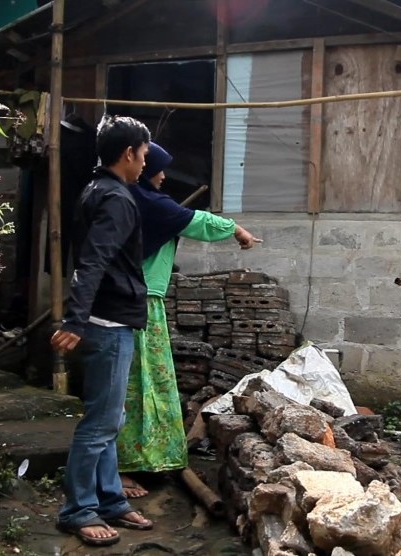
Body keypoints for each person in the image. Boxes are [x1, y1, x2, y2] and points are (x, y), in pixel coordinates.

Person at [116, 142, 259, 496]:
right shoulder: (144, 201)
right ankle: (120, 467)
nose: (162, 175)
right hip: (137, 303)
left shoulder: (141, 200)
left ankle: (145, 459)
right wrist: (237, 230)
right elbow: (196, 221)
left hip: (147, 302)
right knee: (134, 387)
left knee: (150, 384)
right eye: (156, 167)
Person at [51, 115, 155, 547]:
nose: (145, 164)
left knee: (110, 419)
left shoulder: (97, 190)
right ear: (128, 153)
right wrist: (75, 319)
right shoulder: (116, 198)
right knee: (99, 423)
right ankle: (78, 510)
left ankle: (110, 499)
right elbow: (91, 262)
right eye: (144, 155)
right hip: (107, 324)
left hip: (107, 320)